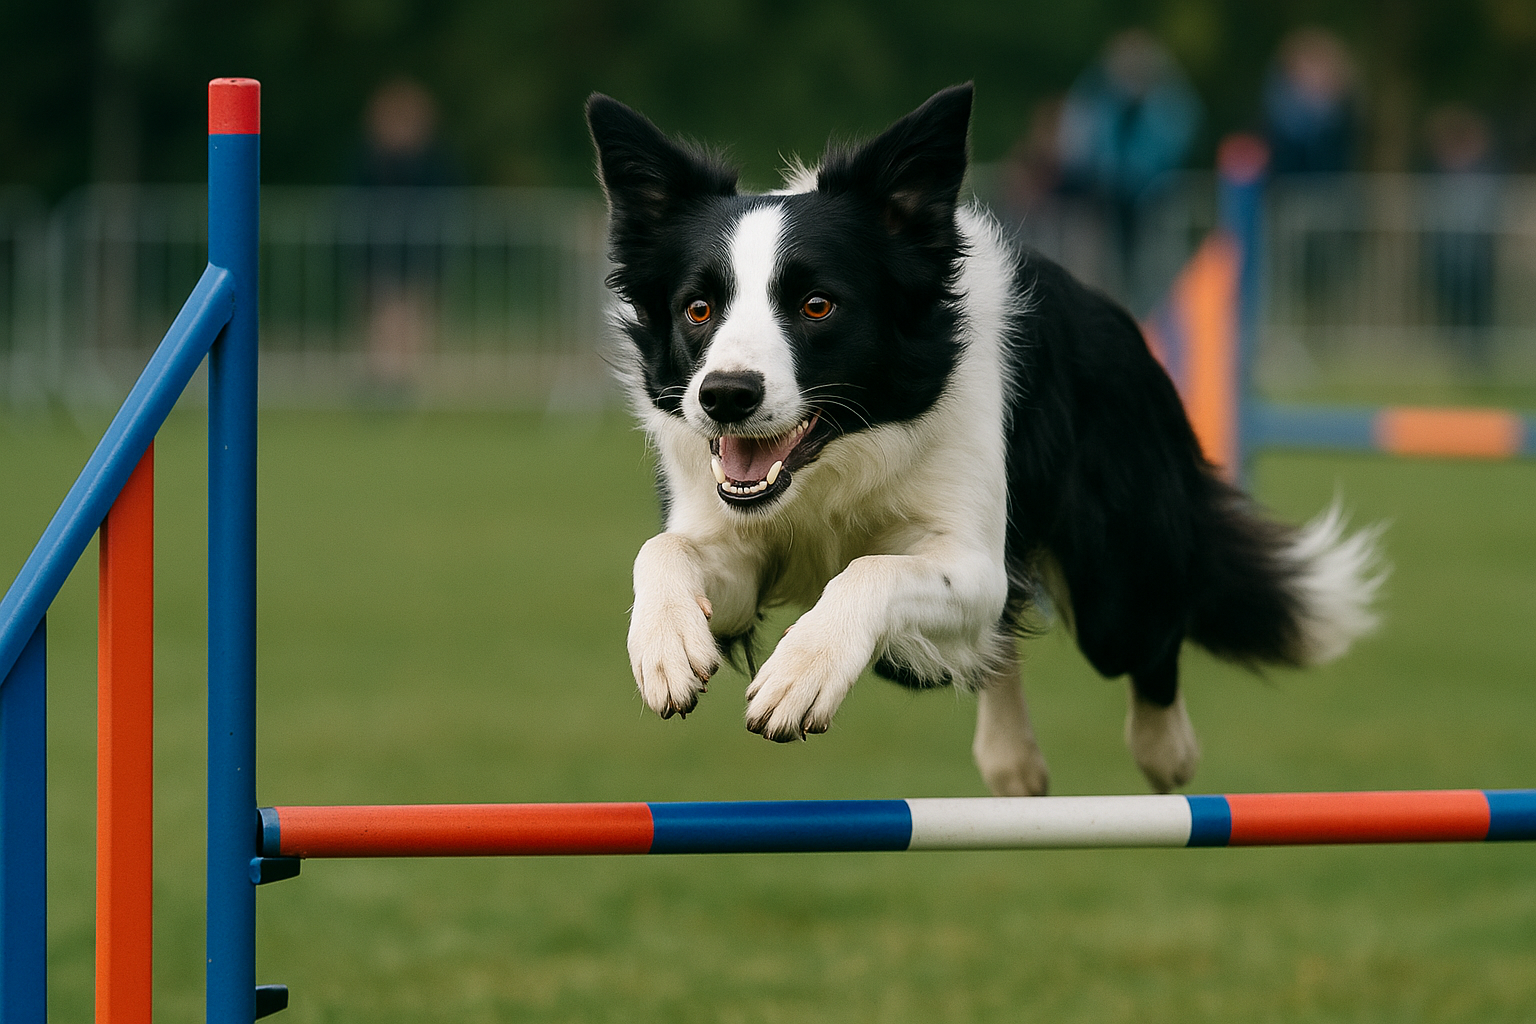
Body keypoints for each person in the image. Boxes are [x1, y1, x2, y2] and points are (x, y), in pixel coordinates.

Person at [1056, 29, 1202, 312]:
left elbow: (1174, 138)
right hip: (1106, 198)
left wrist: (1139, 173)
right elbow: (1081, 137)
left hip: (1153, 197)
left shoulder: (1166, 100)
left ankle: (1156, 319)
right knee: (1107, 269)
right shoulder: (1099, 95)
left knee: (1154, 269)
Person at [1422, 103, 1499, 369]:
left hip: (1476, 251)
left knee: (1478, 305)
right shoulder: (1436, 169)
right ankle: (1453, 351)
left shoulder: (1488, 170)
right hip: (1449, 250)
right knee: (1451, 303)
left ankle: (1477, 356)